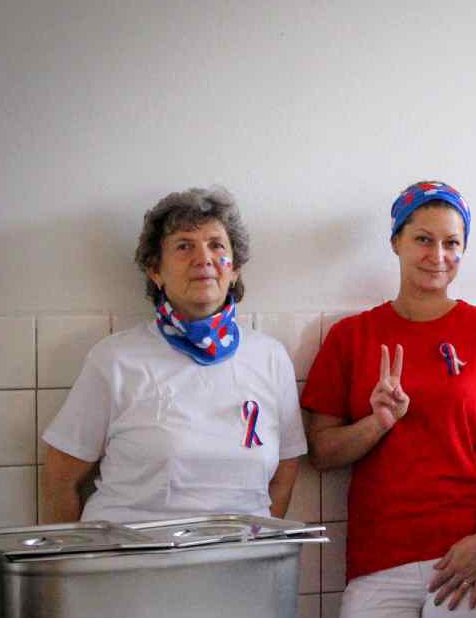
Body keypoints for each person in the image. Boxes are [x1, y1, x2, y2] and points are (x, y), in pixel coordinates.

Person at [300, 181, 476, 618]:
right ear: (396, 242)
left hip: (471, 558)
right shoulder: (352, 337)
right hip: (380, 559)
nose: (438, 256)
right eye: (423, 239)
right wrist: (378, 423)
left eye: (452, 243)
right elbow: (322, 453)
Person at [42, 187, 305, 524]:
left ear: (235, 269)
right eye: (184, 246)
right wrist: (78, 554)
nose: (204, 259)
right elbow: (60, 478)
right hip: (134, 552)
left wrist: (252, 544)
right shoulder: (115, 359)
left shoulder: (270, 357)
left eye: (216, 245)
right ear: (155, 270)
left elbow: (285, 471)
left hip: (240, 554)